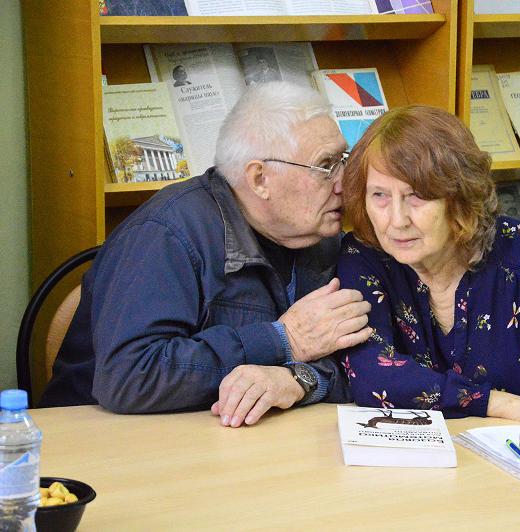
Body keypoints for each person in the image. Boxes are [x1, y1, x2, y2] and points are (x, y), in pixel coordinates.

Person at [39, 82, 374, 428]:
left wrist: (300, 380)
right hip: (100, 442)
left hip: (242, 442)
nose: (344, 183)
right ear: (259, 179)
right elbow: (129, 376)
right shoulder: (165, 234)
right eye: (326, 166)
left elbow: (369, 359)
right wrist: (283, 340)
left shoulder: (324, 237)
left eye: (343, 160)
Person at [338, 105, 520, 447]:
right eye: (379, 195)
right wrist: (498, 404)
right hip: (416, 473)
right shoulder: (364, 256)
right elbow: (370, 373)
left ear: (458, 196)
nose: (397, 220)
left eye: (416, 197)